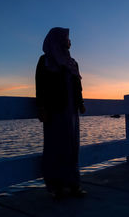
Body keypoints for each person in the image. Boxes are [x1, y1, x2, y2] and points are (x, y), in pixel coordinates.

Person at [35, 27, 86, 199]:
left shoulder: (72, 62)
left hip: (71, 112)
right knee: (55, 148)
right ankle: (56, 187)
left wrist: (81, 103)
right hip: (54, 111)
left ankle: (73, 185)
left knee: (72, 148)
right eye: (66, 38)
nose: (69, 41)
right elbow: (40, 86)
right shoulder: (45, 61)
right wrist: (41, 107)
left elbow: (77, 86)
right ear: (56, 39)